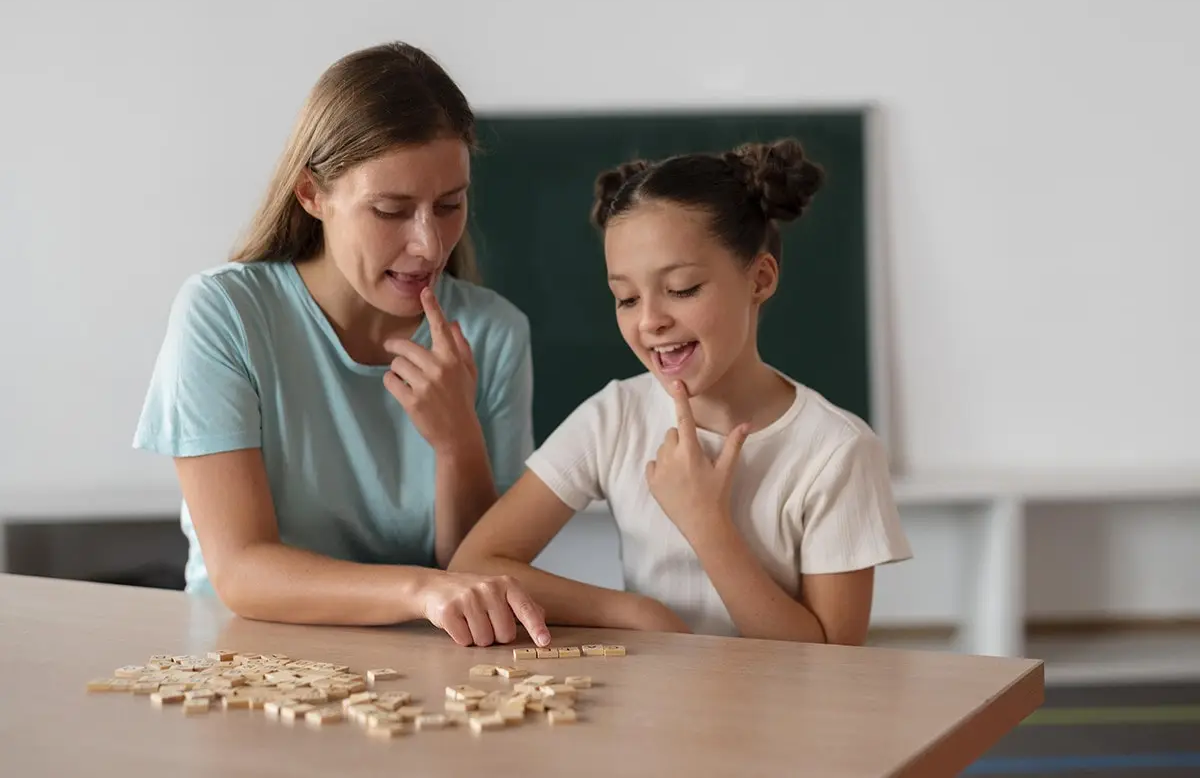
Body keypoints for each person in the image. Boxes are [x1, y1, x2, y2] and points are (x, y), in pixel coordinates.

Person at [132, 41, 549, 648]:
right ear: (312, 194)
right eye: (390, 210)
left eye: (450, 205)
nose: (429, 245)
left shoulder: (494, 332)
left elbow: (479, 569)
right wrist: (420, 591)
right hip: (247, 662)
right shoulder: (224, 315)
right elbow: (241, 570)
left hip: (431, 673)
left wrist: (459, 441)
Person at [449, 138, 913, 644]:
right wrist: (635, 613)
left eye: (683, 289)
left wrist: (706, 524)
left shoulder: (837, 451)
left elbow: (834, 660)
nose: (650, 321)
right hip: (657, 713)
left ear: (759, 279)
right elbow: (475, 563)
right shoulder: (616, 417)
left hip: (783, 720)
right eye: (626, 298)